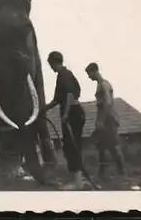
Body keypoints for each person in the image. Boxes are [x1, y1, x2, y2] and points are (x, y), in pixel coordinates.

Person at [44, 51, 86, 189]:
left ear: (54, 62)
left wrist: (66, 114)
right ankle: (77, 179)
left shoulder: (64, 75)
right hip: (71, 113)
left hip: (72, 113)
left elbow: (69, 94)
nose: (50, 68)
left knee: (73, 146)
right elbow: (57, 99)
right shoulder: (62, 76)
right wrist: (45, 109)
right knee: (69, 145)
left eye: (50, 64)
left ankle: (77, 182)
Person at [85, 62, 127, 181]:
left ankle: (122, 172)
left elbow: (107, 103)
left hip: (108, 120)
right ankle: (102, 173)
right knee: (101, 146)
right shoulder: (100, 85)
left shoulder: (104, 85)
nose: (89, 77)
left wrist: (101, 121)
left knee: (113, 146)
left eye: (89, 74)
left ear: (94, 71)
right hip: (103, 120)